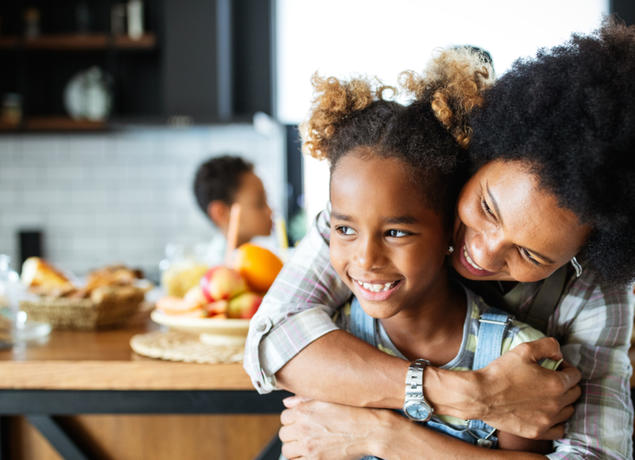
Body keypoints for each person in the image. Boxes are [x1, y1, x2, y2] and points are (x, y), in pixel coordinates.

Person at [245, 19, 635, 459]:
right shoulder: (399, 199)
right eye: (487, 208)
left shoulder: (594, 294)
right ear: (481, 157)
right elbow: (273, 338)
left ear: (582, 253)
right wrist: (472, 395)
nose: (483, 251)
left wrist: (385, 436)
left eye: (529, 253)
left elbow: (593, 455)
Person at [286, 49, 561, 456]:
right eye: (345, 229)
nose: (364, 259)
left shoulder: (516, 360)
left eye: (395, 232)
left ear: (451, 229)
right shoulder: (327, 342)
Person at [193, 155, 273, 247]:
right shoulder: (219, 261)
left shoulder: (265, 256)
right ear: (221, 213)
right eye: (259, 204)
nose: (270, 211)